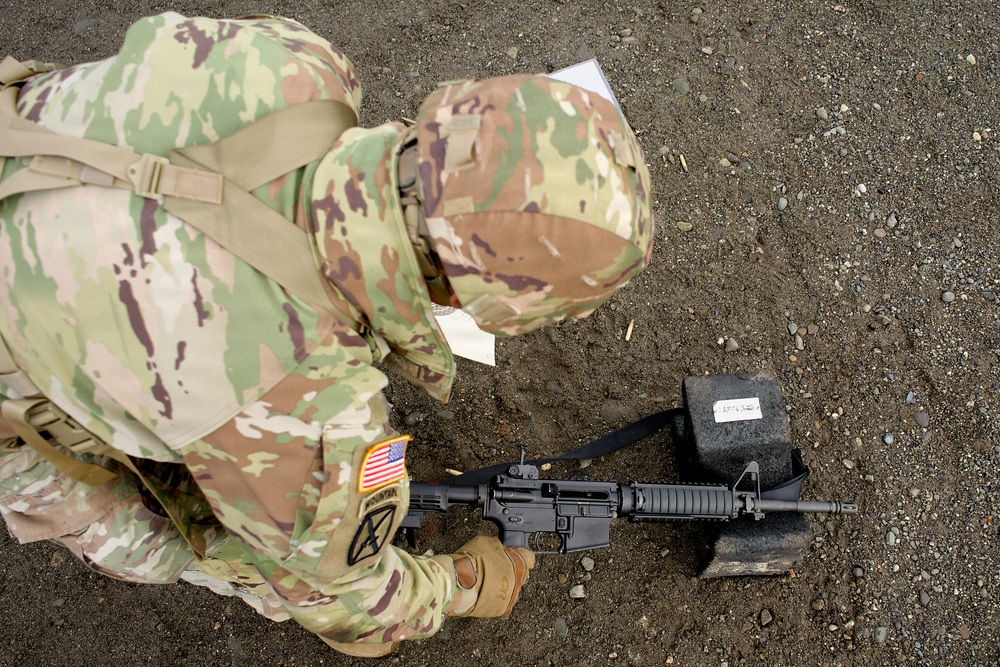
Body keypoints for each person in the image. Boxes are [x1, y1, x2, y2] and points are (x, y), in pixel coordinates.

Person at [0, 13, 653, 656]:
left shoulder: (298, 64)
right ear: (467, 297)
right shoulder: (312, 410)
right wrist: (462, 583)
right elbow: (352, 606)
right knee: (171, 547)